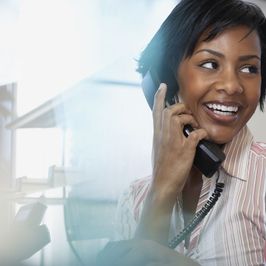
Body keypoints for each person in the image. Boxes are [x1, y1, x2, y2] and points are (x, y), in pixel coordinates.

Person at [96, 0, 266, 265]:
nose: (233, 86)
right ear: (167, 81)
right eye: (210, 64)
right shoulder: (135, 198)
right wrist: (161, 193)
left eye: (249, 68)